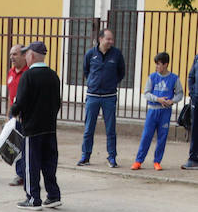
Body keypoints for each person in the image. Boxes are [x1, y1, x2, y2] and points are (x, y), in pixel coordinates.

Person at [9, 41, 62, 211]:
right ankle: (53, 195)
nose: (25, 57)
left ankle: (33, 198)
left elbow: (21, 101)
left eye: (26, 54)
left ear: (31, 56)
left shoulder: (28, 76)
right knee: (49, 163)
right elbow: (57, 102)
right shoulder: (54, 76)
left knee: (31, 163)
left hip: (32, 128)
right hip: (50, 127)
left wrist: (14, 111)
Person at [78, 28, 126, 167]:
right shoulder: (90, 54)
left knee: (110, 129)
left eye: (112, 39)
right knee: (88, 128)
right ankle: (85, 156)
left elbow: (121, 72)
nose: (111, 41)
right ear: (100, 39)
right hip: (93, 96)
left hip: (109, 97)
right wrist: (94, 82)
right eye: (108, 39)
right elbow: (86, 71)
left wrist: (110, 83)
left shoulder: (116, 54)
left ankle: (112, 157)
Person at [132, 52, 182, 171]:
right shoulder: (152, 77)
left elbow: (180, 94)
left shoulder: (174, 78)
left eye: (159, 64)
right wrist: (157, 99)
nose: (157, 67)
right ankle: (138, 161)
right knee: (146, 136)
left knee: (162, 137)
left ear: (165, 64)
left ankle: (157, 161)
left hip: (165, 111)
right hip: (152, 111)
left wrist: (172, 101)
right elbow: (146, 93)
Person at [6, 44, 29, 185]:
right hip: (13, 115)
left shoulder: (28, 72)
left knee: (27, 146)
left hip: (25, 115)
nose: (12, 57)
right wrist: (8, 115)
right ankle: (20, 174)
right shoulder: (11, 72)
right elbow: (10, 96)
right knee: (16, 145)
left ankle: (28, 174)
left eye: (15, 54)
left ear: (23, 55)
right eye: (10, 54)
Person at [182, 52, 198, 170]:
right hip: (196, 98)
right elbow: (191, 76)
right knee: (195, 129)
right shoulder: (197, 57)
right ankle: (193, 159)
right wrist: (192, 92)